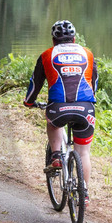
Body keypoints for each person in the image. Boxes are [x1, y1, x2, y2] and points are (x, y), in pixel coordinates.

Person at [23, 20, 97, 193]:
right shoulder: (87, 53)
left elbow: (36, 83)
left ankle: (56, 155)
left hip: (58, 108)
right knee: (84, 153)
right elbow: (94, 82)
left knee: (53, 123)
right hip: (85, 108)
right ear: (74, 38)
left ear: (53, 40)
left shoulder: (47, 55)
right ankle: (83, 192)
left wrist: (29, 102)